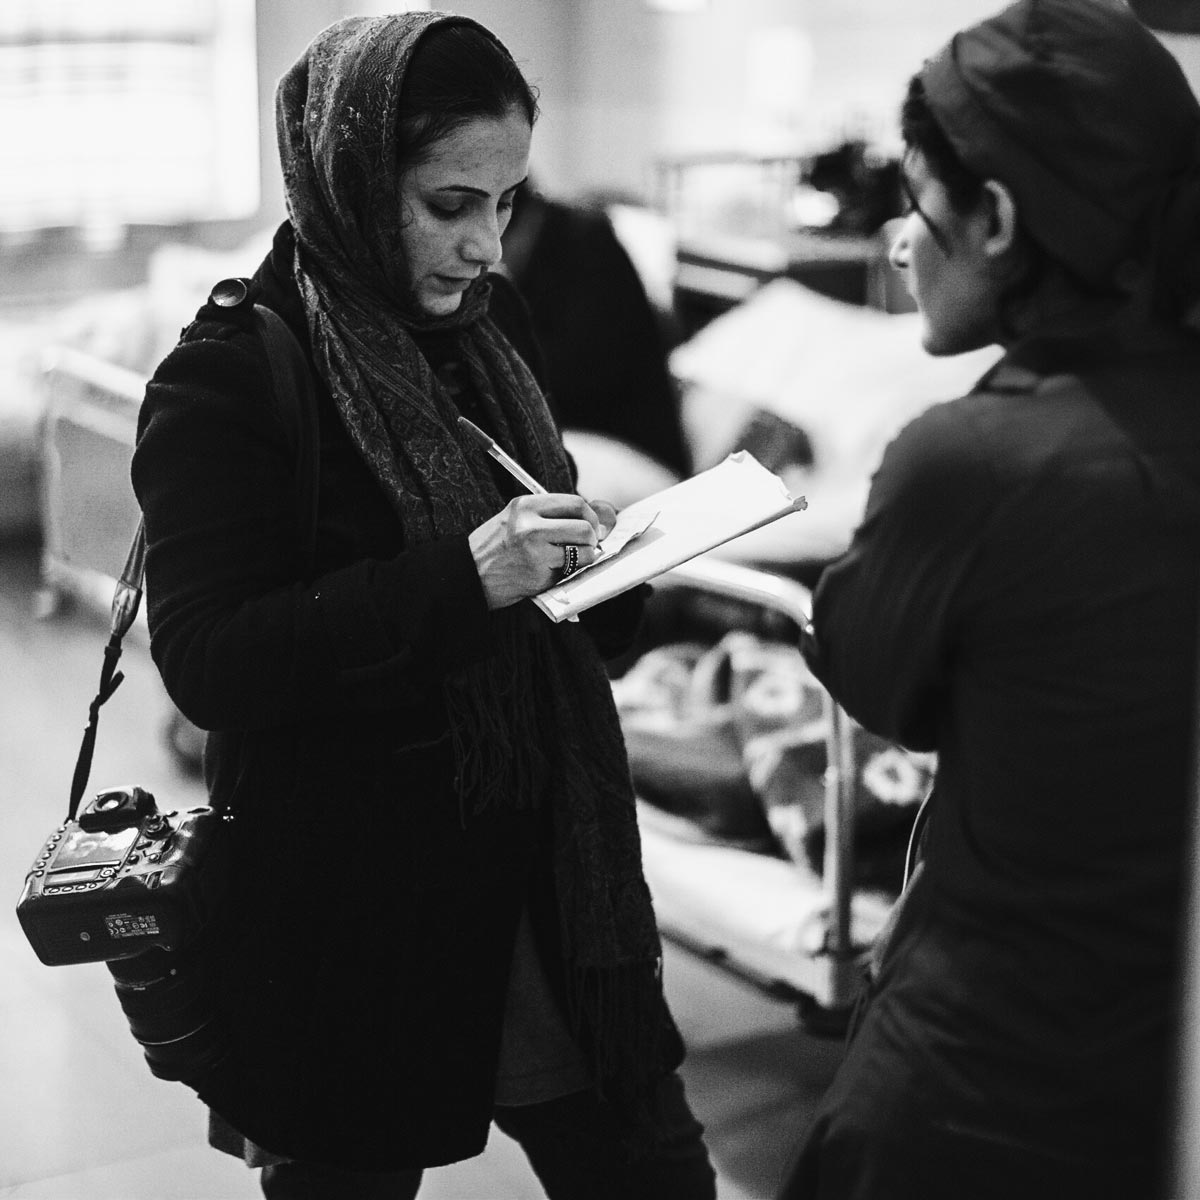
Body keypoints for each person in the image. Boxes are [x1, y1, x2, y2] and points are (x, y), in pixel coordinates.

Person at [130, 12, 716, 1200]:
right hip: (355, 922)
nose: (487, 246)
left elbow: (547, 614)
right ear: (351, 180)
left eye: (505, 205)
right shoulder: (232, 375)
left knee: (652, 1172)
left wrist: (603, 576)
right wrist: (467, 576)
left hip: (551, 885)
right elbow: (210, 661)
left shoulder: (487, 337)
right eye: (452, 205)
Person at [779, 2, 1200, 1197]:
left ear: (999, 220)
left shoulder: (973, 460)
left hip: (981, 1085)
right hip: (1164, 1076)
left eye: (917, 202)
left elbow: (875, 679)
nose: (905, 243)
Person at [500, 180, 691, 478]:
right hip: (585, 435)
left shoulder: (586, 244)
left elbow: (568, 380)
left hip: (631, 449)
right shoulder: (547, 241)